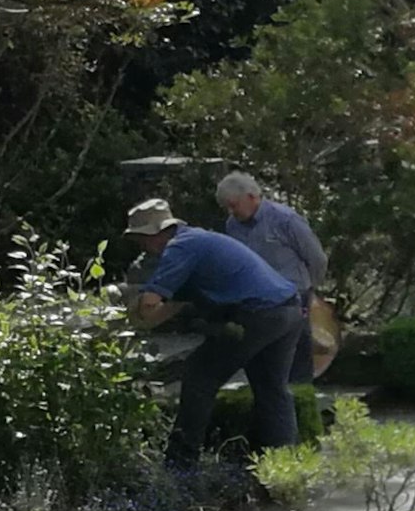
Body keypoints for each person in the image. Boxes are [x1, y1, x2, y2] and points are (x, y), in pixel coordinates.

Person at [127, 196, 304, 463]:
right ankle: (283, 468)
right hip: (288, 310)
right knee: (272, 389)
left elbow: (151, 303)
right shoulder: (197, 240)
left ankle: (180, 465)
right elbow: (172, 305)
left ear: (155, 234)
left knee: (199, 375)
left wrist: (128, 309)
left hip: (258, 314)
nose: (140, 246)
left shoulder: (180, 247)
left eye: (140, 238)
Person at [216, 169, 329, 382]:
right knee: (264, 362)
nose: (232, 212)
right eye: (227, 208)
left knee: (298, 358)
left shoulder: (285, 220)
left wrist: (311, 289)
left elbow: (316, 257)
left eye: (234, 205)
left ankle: (300, 404)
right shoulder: (233, 226)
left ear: (251, 197)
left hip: (293, 296)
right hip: (257, 301)